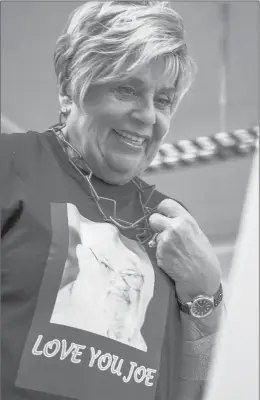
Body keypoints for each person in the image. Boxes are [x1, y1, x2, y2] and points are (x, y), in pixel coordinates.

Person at [0, 2, 224, 400]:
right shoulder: (11, 164)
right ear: (74, 83)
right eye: (127, 89)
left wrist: (205, 295)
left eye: (164, 100)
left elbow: (192, 386)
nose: (147, 116)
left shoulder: (169, 222)